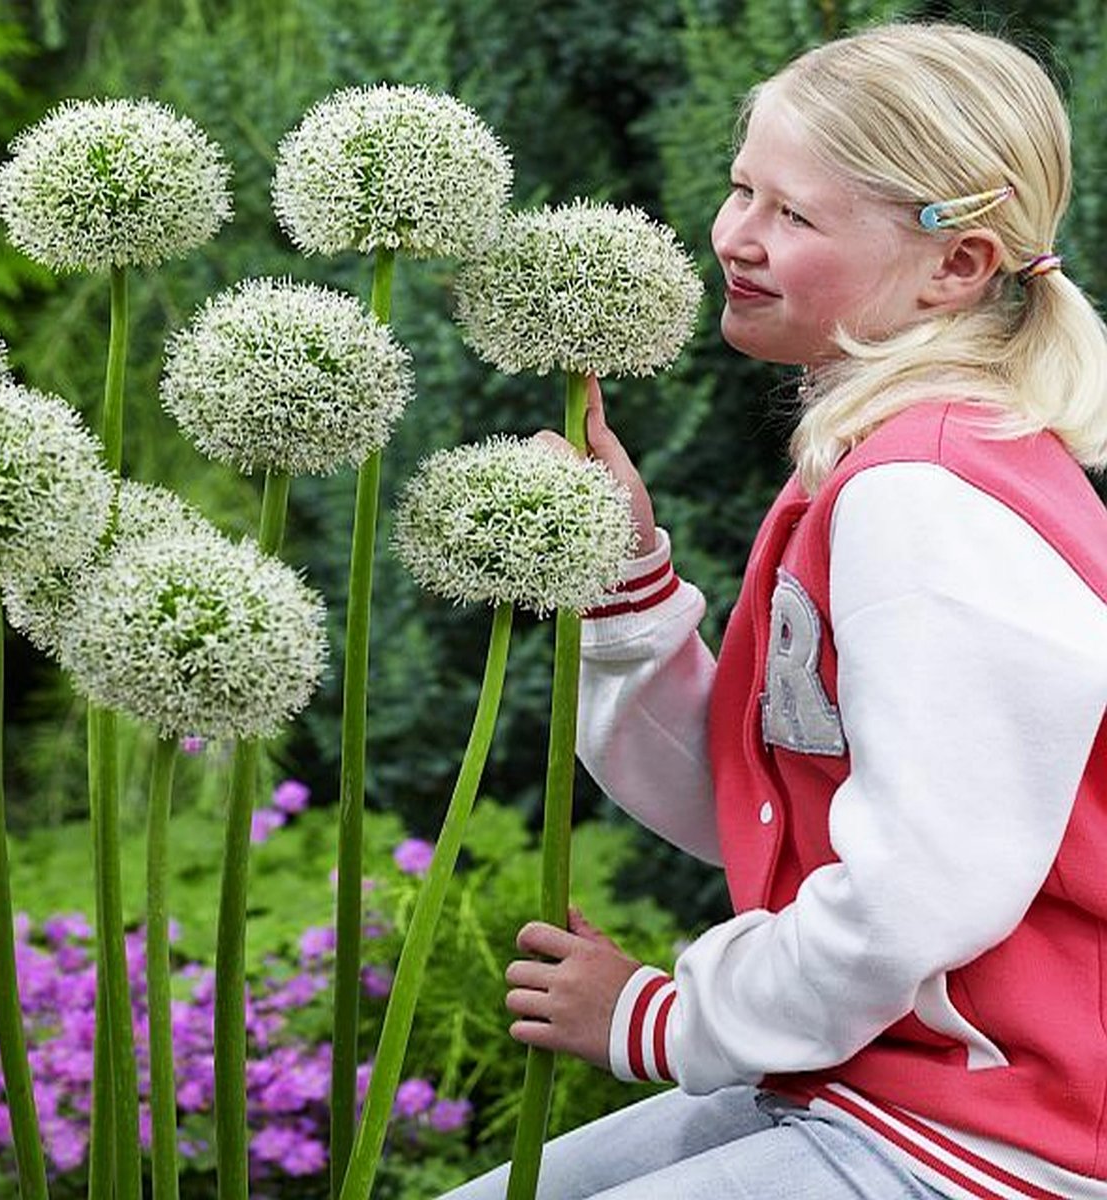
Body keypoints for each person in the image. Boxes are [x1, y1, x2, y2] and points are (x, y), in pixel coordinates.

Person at [441, 20, 1107, 1200]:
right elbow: (768, 812)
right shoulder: (878, 462)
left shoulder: (930, 499)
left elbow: (918, 893)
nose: (736, 238)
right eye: (740, 188)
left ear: (956, 266)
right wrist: (626, 586)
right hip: (872, 1089)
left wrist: (667, 1020)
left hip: (1005, 1146)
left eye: (793, 215)